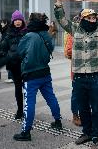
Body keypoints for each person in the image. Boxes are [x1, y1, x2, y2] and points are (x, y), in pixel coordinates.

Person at [54, 0, 98, 145]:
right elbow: (61, 19)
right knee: (83, 108)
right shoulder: (74, 28)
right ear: (82, 19)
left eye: (93, 17)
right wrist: (58, 1)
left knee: (97, 108)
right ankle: (86, 133)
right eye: (88, 17)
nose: (92, 20)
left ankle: (96, 135)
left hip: (96, 77)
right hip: (79, 78)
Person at [13, 13, 62, 141]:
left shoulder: (28, 36)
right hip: (45, 72)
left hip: (31, 75)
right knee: (51, 97)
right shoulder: (46, 34)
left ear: (31, 22)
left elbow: (19, 52)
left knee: (29, 104)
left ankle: (26, 132)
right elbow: (50, 48)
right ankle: (58, 121)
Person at [0, 11, 27, 119]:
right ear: (13, 21)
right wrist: (8, 55)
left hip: (26, 66)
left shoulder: (27, 33)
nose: (18, 22)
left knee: (28, 89)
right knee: (18, 89)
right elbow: (1, 48)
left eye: (19, 20)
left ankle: (28, 110)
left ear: (22, 21)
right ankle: (20, 110)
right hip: (14, 67)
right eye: (15, 20)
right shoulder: (9, 34)